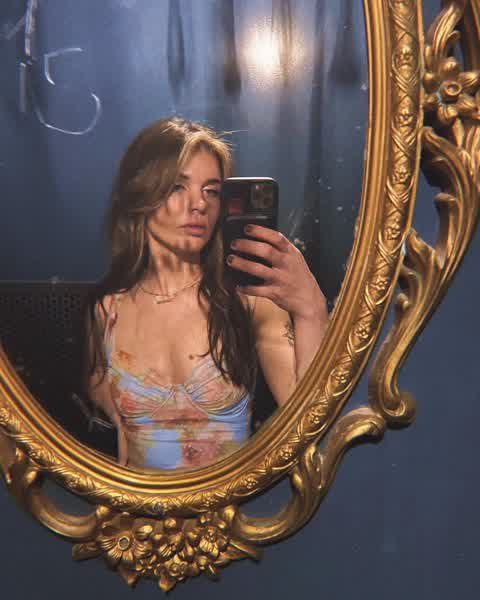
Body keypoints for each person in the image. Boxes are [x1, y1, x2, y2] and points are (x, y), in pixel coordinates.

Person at [85, 116, 328, 470]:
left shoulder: (250, 300)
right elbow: (97, 388)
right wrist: (117, 421)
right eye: (177, 187)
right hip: (137, 503)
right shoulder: (108, 310)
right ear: (141, 193)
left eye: (211, 190)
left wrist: (312, 310)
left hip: (229, 501)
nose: (199, 204)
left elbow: (309, 423)